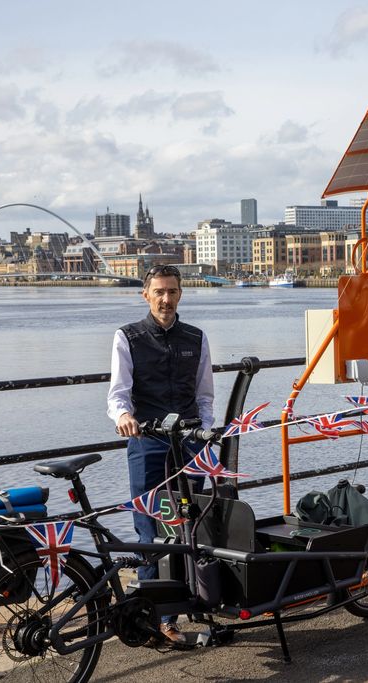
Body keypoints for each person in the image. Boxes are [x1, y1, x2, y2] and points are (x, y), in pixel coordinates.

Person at [107, 264, 214, 645]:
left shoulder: (195, 338)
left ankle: (192, 602)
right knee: (149, 527)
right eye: (159, 292)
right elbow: (118, 392)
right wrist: (123, 416)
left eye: (172, 291)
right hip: (148, 440)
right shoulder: (129, 337)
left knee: (189, 524)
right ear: (146, 295)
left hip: (188, 441)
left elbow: (204, 395)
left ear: (180, 293)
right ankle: (156, 617)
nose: (166, 299)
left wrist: (205, 431)